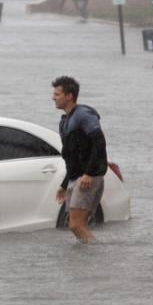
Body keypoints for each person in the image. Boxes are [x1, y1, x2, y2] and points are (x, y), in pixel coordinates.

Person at [51, 76, 107, 244]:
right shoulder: (65, 121)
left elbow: (99, 143)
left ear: (69, 96)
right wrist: (64, 184)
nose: (53, 97)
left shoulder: (84, 115)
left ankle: (97, 254)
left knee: (76, 225)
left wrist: (89, 173)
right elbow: (72, 158)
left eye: (57, 94)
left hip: (87, 178)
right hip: (76, 178)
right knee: (76, 225)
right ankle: (87, 262)